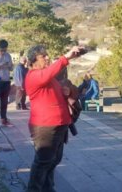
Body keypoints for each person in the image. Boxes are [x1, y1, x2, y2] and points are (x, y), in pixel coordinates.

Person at [25, 45, 84, 192]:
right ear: (33, 60)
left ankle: (48, 189)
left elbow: (59, 93)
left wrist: (67, 92)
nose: (47, 58)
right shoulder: (33, 76)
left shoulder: (48, 78)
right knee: (43, 162)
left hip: (58, 124)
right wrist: (67, 57)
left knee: (52, 161)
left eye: (47, 55)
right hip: (46, 126)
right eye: (43, 56)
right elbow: (50, 72)